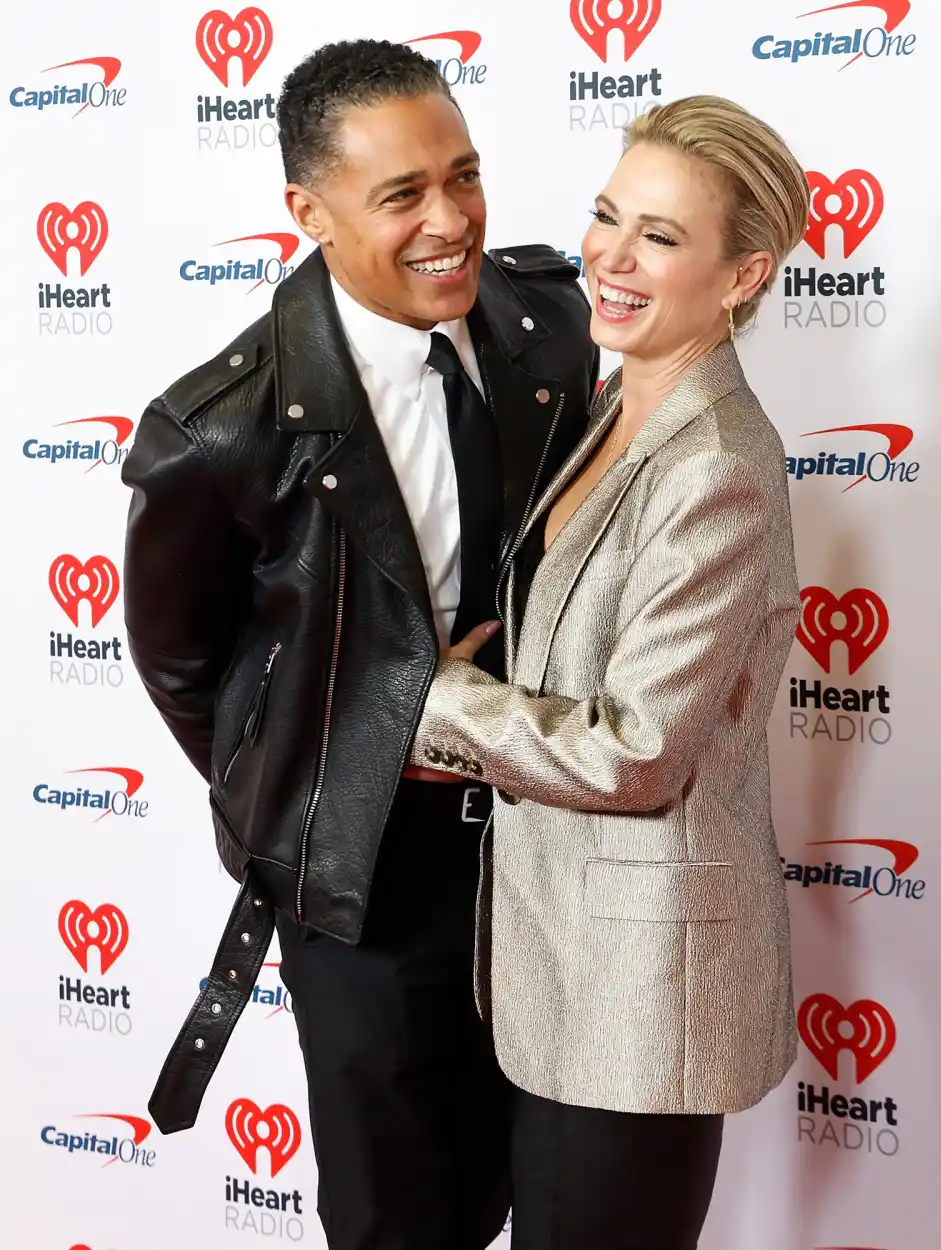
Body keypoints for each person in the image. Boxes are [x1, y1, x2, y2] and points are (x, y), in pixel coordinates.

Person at [121, 39, 597, 1250]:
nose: (451, 221)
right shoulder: (217, 425)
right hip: (365, 872)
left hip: (552, 843)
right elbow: (183, 664)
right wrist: (337, 769)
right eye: (401, 195)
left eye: (464, 174)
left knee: (529, 1184)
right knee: (397, 1213)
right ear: (309, 212)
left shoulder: (550, 324)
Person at [412, 95, 809, 1250]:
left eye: (661, 237)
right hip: (552, 965)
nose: (610, 256)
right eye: (605, 216)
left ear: (742, 276)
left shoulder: (719, 462)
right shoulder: (614, 405)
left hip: (643, 994)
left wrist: (433, 696)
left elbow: (634, 750)